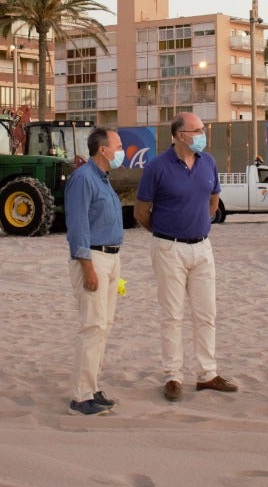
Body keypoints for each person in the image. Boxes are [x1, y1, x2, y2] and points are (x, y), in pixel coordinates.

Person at [135, 112, 237, 401]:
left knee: (206, 313)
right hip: (169, 249)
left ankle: (208, 374)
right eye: (198, 129)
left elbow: (213, 199)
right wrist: (166, 232)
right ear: (181, 135)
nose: (203, 134)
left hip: (203, 248)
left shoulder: (209, 163)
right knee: (172, 315)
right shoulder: (157, 167)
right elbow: (141, 212)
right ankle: (173, 376)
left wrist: (200, 223)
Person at [64, 126, 126, 416]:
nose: (121, 151)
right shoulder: (83, 179)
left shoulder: (103, 179)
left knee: (104, 326)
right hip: (93, 259)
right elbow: (78, 228)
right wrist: (88, 267)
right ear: (103, 150)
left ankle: (92, 386)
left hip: (110, 258)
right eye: (118, 146)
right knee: (92, 326)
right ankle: (81, 395)